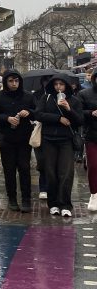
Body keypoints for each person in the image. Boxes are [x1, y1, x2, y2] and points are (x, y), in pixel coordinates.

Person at [34, 73, 84, 217]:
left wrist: (69, 109)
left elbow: (80, 120)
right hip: (48, 139)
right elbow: (38, 114)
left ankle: (65, 204)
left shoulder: (74, 100)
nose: (58, 87)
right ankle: (53, 203)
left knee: (66, 173)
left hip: (66, 140)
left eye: (61, 84)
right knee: (50, 172)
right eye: (55, 84)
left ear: (66, 86)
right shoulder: (46, 98)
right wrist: (58, 118)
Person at [0, 69, 36, 211]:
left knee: (24, 168)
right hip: (6, 138)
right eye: (11, 81)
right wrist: (6, 118)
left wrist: (29, 112)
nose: (14, 84)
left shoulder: (28, 96)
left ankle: (26, 199)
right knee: (9, 170)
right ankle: (12, 199)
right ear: (5, 82)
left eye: (16, 81)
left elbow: (38, 112)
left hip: (24, 138)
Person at [79, 69, 97, 210]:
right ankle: (94, 195)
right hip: (92, 135)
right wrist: (91, 113)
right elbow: (79, 113)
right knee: (93, 166)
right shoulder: (84, 94)